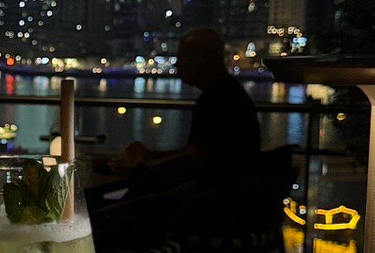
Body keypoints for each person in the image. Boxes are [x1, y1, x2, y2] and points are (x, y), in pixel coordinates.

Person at [101, 28, 261, 188]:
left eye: (184, 57)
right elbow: (195, 153)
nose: (177, 63)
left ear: (203, 60)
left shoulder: (215, 101)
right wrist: (151, 157)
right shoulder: (226, 94)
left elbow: (194, 161)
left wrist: (142, 166)